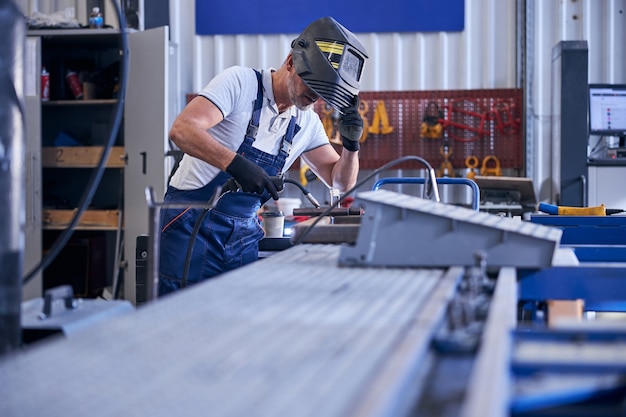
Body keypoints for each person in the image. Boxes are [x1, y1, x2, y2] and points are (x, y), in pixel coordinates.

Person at [158, 16, 369, 296]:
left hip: (243, 239)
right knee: (180, 325)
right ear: (291, 62)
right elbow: (182, 129)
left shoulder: (306, 122)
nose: (314, 97)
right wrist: (236, 165)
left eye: (322, 93)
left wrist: (351, 145)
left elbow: (340, 183)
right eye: (311, 86)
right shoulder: (240, 83)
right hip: (191, 229)